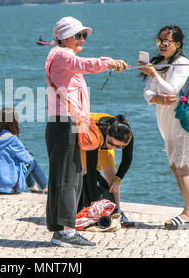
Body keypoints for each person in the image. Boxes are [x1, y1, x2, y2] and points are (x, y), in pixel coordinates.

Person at [45, 16, 128, 248]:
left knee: (65, 177)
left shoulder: (59, 55)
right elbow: (84, 65)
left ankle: (60, 229)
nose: (82, 39)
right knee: (68, 179)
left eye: (84, 35)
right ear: (64, 38)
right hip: (65, 124)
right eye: (78, 35)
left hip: (64, 123)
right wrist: (108, 62)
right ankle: (66, 233)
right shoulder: (63, 55)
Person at [138, 25, 189, 230]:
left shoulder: (182, 63)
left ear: (178, 44)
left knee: (182, 166)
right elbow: (147, 93)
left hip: (183, 122)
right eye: (160, 41)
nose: (163, 44)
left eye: (167, 41)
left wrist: (154, 75)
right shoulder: (162, 64)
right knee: (174, 165)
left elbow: (173, 90)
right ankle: (188, 210)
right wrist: (157, 97)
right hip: (167, 123)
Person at [79, 113, 134, 223]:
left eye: (118, 146)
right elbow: (91, 170)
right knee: (83, 172)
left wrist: (117, 180)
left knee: (112, 177)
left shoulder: (126, 136)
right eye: (111, 143)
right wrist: (94, 202)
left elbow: (127, 159)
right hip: (88, 137)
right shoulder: (96, 132)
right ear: (108, 132)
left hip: (102, 144)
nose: (112, 147)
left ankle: (117, 210)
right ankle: (81, 207)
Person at [0, 107, 48, 194]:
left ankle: (34, 189)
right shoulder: (12, 140)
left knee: (22, 162)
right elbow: (28, 159)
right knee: (32, 162)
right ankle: (47, 188)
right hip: (8, 187)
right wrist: (26, 153)